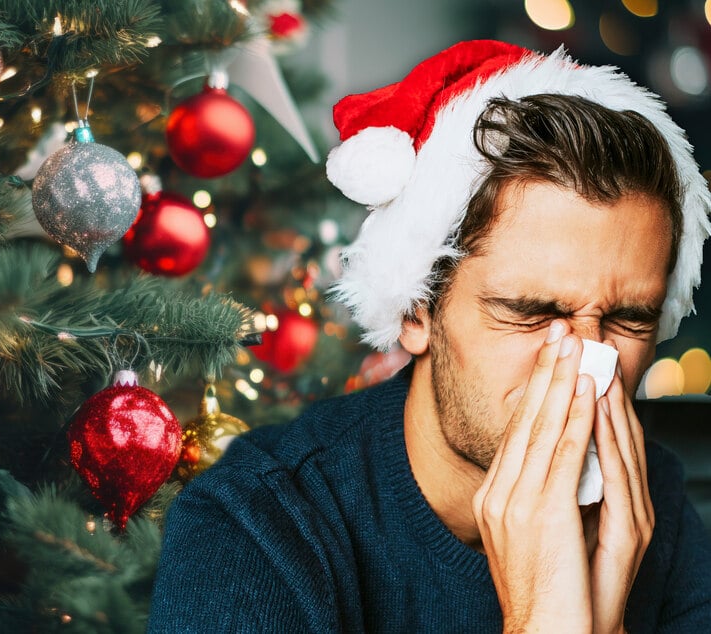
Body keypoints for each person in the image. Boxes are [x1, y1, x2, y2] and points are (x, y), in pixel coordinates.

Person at [147, 40, 711, 632]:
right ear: (417, 312)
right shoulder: (260, 524)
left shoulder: (650, 504)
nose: (586, 365)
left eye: (630, 320)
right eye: (530, 311)